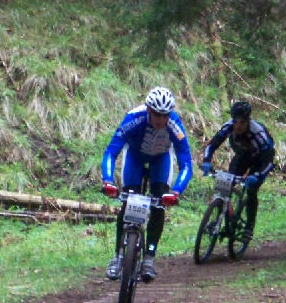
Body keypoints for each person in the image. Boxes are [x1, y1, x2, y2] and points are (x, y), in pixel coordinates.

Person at [101, 87, 193, 282]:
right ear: (148, 110)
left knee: (160, 203)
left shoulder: (175, 125)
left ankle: (149, 256)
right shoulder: (134, 118)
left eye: (165, 115)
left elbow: (186, 163)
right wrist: (108, 180)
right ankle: (117, 256)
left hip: (161, 159)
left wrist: (175, 192)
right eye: (157, 115)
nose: (161, 120)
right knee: (127, 203)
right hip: (134, 156)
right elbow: (111, 152)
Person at [200, 101, 274, 248]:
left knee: (252, 190)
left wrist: (258, 176)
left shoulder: (258, 133)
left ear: (248, 121)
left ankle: (249, 227)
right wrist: (207, 161)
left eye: (242, 122)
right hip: (243, 156)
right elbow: (212, 145)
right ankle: (221, 213)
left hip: (261, 161)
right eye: (236, 121)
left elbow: (269, 161)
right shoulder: (228, 127)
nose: (238, 126)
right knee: (225, 183)